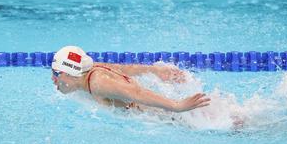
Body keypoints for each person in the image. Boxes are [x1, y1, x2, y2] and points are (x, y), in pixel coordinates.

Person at [51, 45, 211, 112]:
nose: (53, 79)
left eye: (56, 73)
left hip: (166, 115)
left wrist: (177, 106)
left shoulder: (97, 83)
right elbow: (124, 68)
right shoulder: (91, 69)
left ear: (70, 74)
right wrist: (156, 71)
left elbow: (136, 93)